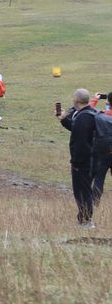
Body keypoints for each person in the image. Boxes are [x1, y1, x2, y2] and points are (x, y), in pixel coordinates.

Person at [59, 89, 97, 229]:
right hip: (91, 159)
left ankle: (86, 221)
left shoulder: (83, 117)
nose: (73, 100)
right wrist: (64, 120)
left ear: (78, 101)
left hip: (83, 162)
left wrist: (76, 163)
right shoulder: (90, 113)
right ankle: (84, 219)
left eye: (74, 98)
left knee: (82, 191)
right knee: (85, 190)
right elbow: (77, 129)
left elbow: (80, 142)